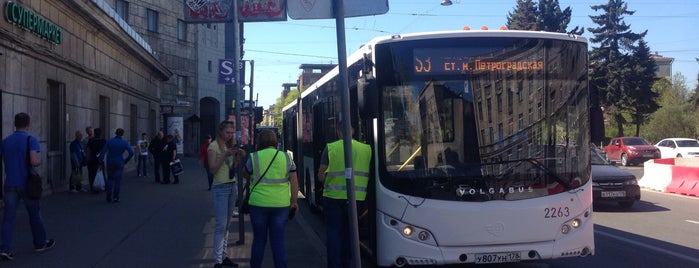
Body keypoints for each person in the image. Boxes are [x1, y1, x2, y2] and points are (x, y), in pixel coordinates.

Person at [1, 113, 55, 260]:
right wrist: (40, 162)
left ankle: (5, 248)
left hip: (10, 183)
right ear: (28, 124)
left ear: (14, 124)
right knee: (34, 215)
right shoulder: (31, 140)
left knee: (8, 217)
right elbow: (33, 161)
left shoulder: (5, 141)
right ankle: (40, 243)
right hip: (27, 184)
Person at [317, 122, 372, 268]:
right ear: (353, 130)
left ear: (337, 131)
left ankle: (335, 265)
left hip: (333, 198)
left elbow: (321, 177)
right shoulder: (367, 149)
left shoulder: (330, 148)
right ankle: (348, 263)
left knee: (334, 234)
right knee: (351, 234)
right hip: (357, 198)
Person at [243, 130, 298, 268]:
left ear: (260, 141)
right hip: (281, 205)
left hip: (258, 204)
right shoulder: (286, 158)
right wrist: (294, 202)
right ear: (275, 141)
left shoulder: (254, 157)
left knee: (259, 241)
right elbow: (294, 182)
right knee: (278, 242)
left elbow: (246, 174)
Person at [207, 121, 245, 268]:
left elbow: (231, 169)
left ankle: (223, 257)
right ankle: (217, 261)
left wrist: (236, 158)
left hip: (231, 186)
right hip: (220, 188)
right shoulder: (213, 146)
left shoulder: (228, 146)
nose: (230, 135)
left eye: (232, 133)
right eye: (228, 132)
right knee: (221, 226)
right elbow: (212, 169)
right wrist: (225, 155)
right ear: (221, 131)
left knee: (227, 225)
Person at [99, 128, 134, 203]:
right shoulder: (124, 142)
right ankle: (116, 197)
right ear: (122, 134)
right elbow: (131, 152)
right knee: (118, 180)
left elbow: (103, 152)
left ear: (115, 133)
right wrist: (126, 160)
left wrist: (100, 162)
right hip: (120, 162)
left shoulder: (109, 141)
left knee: (110, 179)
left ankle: (108, 196)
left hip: (110, 161)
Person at [86, 128, 106, 193]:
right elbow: (103, 151)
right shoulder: (103, 141)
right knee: (101, 173)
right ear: (101, 134)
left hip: (92, 159)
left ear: (94, 133)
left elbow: (88, 151)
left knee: (92, 174)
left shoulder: (91, 140)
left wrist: (87, 159)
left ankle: (92, 187)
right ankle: (102, 185)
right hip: (99, 159)